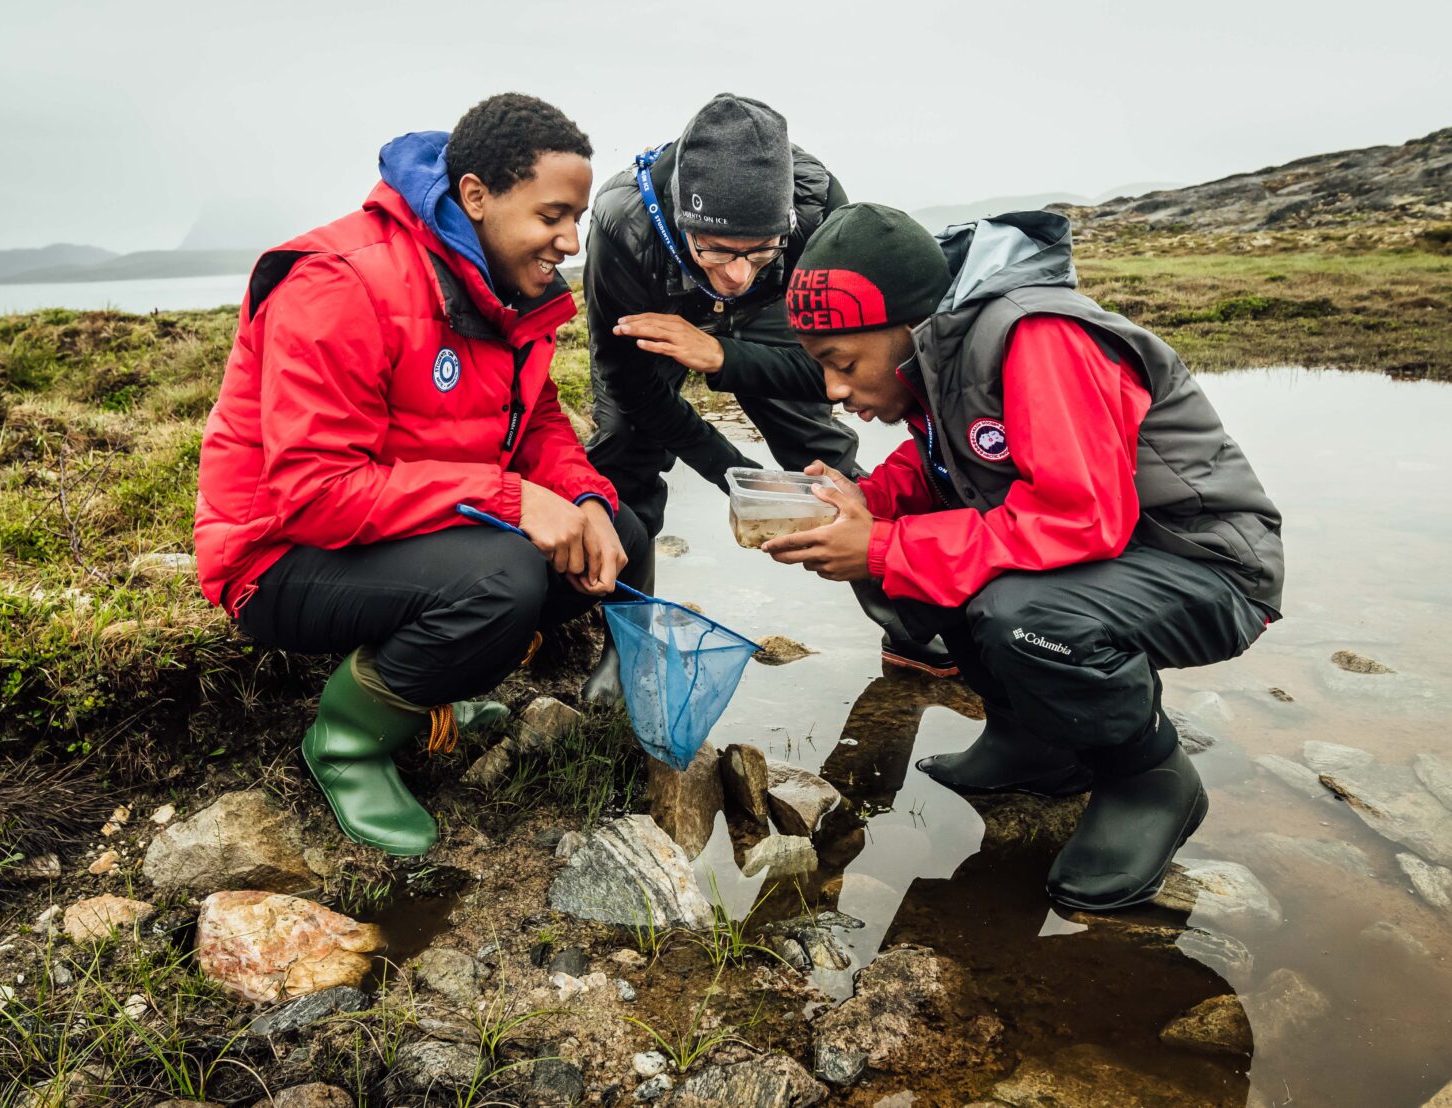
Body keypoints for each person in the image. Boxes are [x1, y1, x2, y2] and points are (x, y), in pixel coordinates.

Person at [763, 203, 1283, 910]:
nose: (833, 390)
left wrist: (885, 545)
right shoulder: (946, 348)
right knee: (908, 557)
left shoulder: (1040, 336)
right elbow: (948, 466)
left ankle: (1149, 778)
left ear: (907, 325)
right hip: (1116, 557)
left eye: (841, 363)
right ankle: (1035, 744)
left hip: (1206, 565)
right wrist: (865, 503)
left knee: (1016, 610)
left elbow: (1080, 516)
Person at [194, 94, 650, 857]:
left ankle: (428, 692)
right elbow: (316, 495)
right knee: (501, 580)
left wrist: (584, 496)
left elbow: (536, 419)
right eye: (551, 216)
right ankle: (348, 745)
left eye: (575, 218)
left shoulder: (500, 283)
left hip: (395, 527)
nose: (570, 241)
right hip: (275, 554)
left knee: (612, 531)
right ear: (475, 196)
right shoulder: (337, 283)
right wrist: (512, 498)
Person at [581, 93, 953, 698]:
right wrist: (741, 479)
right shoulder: (624, 224)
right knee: (625, 449)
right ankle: (626, 642)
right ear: (681, 220)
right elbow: (632, 389)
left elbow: (836, 374)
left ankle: (906, 621)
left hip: (770, 313)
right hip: (660, 310)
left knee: (820, 450)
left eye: (760, 249)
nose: (737, 274)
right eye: (715, 248)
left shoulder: (815, 206)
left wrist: (723, 356)